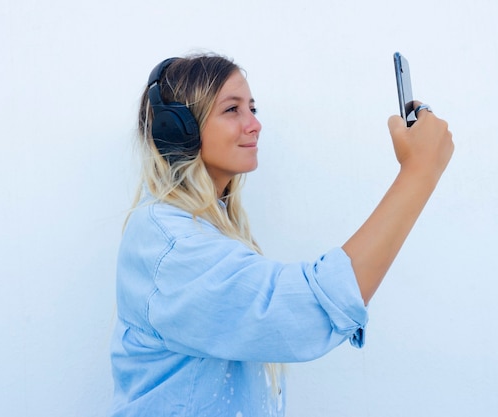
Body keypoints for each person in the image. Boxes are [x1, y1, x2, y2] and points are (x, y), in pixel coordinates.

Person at [109, 53, 454, 417]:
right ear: (178, 129)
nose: (254, 124)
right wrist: (418, 173)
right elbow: (304, 310)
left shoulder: (203, 227)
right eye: (232, 110)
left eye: (252, 108)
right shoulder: (173, 247)